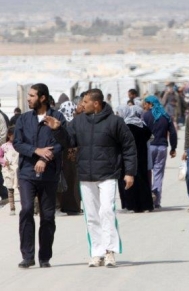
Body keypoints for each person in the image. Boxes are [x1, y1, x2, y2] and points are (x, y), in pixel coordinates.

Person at [45, 88, 137, 268]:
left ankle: (110, 251)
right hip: (86, 175)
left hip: (108, 174)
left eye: (85, 102)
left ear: (96, 103)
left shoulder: (115, 122)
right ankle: (97, 253)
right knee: (92, 216)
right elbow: (69, 141)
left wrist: (130, 172)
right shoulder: (78, 122)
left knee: (107, 211)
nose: (81, 105)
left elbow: (129, 147)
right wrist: (57, 129)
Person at [13, 83, 66, 268]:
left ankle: (45, 257)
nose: (28, 99)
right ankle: (28, 256)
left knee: (48, 217)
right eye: (28, 95)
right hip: (27, 172)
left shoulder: (57, 117)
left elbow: (62, 143)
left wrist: (45, 158)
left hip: (49, 175)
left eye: (32, 96)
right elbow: (17, 143)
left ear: (42, 98)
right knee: (26, 209)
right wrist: (36, 151)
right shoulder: (23, 119)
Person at [143, 95, 177, 209]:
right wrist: (173, 148)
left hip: (149, 147)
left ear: (151, 104)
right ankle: (156, 201)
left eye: (146, 104)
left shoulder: (146, 116)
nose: (145, 106)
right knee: (158, 174)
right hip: (162, 148)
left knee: (147, 173)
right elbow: (173, 133)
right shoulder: (166, 116)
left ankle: (147, 199)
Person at [117, 105, 154, 213]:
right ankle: (146, 205)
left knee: (129, 181)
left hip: (128, 158)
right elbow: (150, 137)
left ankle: (132, 205)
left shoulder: (125, 126)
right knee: (143, 180)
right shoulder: (142, 125)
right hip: (142, 157)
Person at [57, 100, 81, 215]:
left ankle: (65, 205)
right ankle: (74, 206)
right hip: (75, 154)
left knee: (65, 179)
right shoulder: (77, 121)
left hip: (64, 154)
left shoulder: (61, 122)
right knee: (74, 180)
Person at [0, 127, 19, 215]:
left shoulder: (20, 145)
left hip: (18, 170)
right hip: (8, 171)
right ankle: (12, 208)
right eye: (13, 136)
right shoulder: (4, 146)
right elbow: (0, 157)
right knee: (10, 189)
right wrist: (4, 162)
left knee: (21, 188)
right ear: (9, 135)